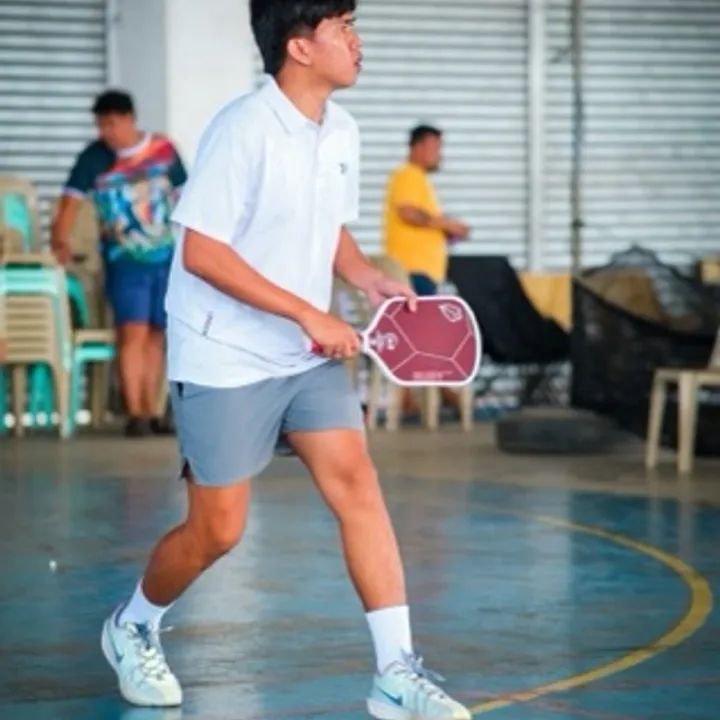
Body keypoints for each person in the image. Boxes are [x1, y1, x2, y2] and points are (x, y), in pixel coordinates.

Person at [99, 2, 471, 718]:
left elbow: (328, 228)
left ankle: (395, 674)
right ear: (300, 47)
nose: (357, 40)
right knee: (218, 531)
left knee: (358, 484)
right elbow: (202, 252)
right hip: (224, 351)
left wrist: (366, 278)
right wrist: (307, 312)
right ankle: (133, 624)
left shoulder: (341, 129)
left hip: (302, 355)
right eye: (343, 26)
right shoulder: (242, 129)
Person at [52, 90, 187, 437]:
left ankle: (153, 411)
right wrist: (60, 240)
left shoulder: (163, 150)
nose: (106, 132)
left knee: (157, 334)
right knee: (132, 333)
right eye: (101, 125)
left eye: (112, 123)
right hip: (123, 259)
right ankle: (135, 413)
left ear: (130, 119)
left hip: (167, 258)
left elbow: (186, 197)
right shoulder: (94, 158)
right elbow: (70, 201)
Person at [382, 125, 470, 419]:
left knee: (418, 333)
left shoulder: (419, 181)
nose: (439, 155)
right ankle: (435, 392)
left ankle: (426, 394)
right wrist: (447, 224)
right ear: (417, 147)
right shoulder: (408, 175)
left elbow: (422, 218)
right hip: (412, 271)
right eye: (435, 148)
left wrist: (446, 230)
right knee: (421, 334)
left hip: (422, 272)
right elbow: (408, 213)